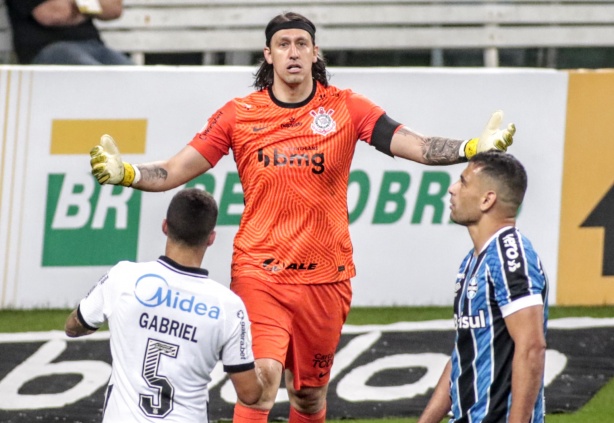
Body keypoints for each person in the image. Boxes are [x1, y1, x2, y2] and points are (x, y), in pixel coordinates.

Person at [88, 12, 516, 423]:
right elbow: (175, 171)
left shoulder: (348, 108)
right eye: (283, 44)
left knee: (308, 395)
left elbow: (416, 145)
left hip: (326, 279)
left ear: (315, 54)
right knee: (261, 384)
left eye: (301, 44)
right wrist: (127, 173)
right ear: (268, 55)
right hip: (260, 273)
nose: (292, 52)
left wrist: (470, 148)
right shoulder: (238, 115)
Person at [64, 188, 262, 422]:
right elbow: (250, 394)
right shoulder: (228, 306)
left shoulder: (123, 277)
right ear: (211, 238)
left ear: (165, 226)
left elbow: (73, 326)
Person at [418, 151, 549, 423]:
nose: (452, 189)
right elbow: (465, 352)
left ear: (488, 199)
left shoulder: (511, 257)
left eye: (463, 182)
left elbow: (532, 347)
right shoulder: (474, 260)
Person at [5, 0, 133, 65]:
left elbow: (114, 8)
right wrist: (91, 7)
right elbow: (52, 13)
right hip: (46, 48)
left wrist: (74, 6)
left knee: (136, 77)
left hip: (94, 45)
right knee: (97, 78)